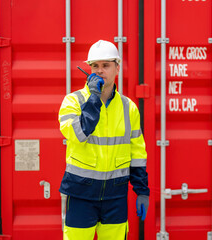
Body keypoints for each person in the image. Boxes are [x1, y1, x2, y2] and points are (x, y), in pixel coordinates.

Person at [58, 40, 149, 240]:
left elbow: (137, 153)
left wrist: (142, 190)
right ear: (89, 69)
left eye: (105, 65)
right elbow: (81, 132)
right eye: (95, 66)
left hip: (115, 197)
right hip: (81, 194)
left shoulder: (129, 107)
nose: (99, 71)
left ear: (117, 67)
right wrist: (94, 97)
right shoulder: (73, 102)